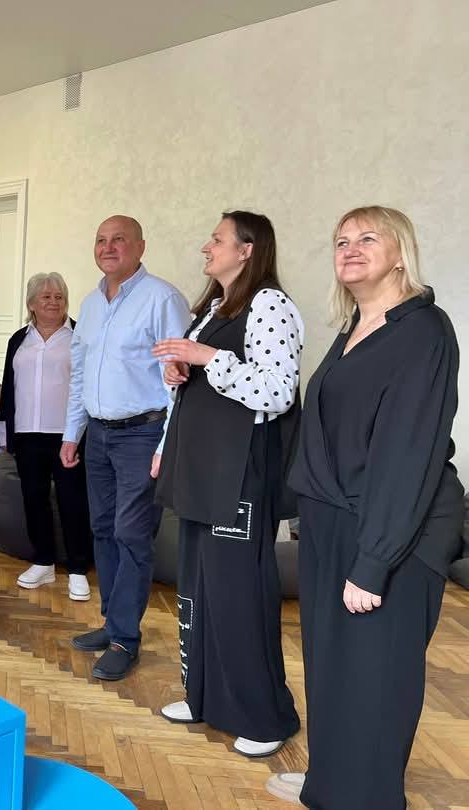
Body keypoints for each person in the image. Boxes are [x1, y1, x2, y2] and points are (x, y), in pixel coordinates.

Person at [266, 206, 463, 808]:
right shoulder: (356, 326)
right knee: (333, 670)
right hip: (335, 523)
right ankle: (330, 784)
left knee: (375, 683)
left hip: (392, 532)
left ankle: (366, 797)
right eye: (341, 240)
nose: (349, 248)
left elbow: (408, 455)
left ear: (400, 253)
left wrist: (374, 561)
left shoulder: (424, 332)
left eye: (367, 237)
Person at [152, 211, 301, 758]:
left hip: (238, 475)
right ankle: (204, 697)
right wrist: (179, 376)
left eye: (216, 239)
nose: (205, 247)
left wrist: (205, 357)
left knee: (237, 594)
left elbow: (277, 391)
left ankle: (263, 717)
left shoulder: (270, 305)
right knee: (197, 588)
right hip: (201, 469)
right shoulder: (215, 309)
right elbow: (209, 385)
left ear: (247, 249)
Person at [64, 215, 190, 680]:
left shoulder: (162, 299)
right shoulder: (90, 303)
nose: (108, 247)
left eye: (119, 239)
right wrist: (72, 433)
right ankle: (112, 622)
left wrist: (166, 444)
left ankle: (124, 639)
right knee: (102, 529)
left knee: (131, 533)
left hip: (143, 435)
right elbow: (80, 373)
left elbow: (180, 381)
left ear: (140, 247)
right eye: (101, 240)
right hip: (98, 435)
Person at [0, 272, 92, 601]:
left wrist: (82, 434)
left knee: (73, 501)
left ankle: (78, 568)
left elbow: (88, 386)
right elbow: (8, 389)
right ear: (31, 304)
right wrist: (4, 431)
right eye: (46, 296)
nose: (53, 302)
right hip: (26, 434)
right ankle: (43, 561)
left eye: (59, 296)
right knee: (33, 499)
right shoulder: (18, 339)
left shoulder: (80, 336)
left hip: (69, 436)